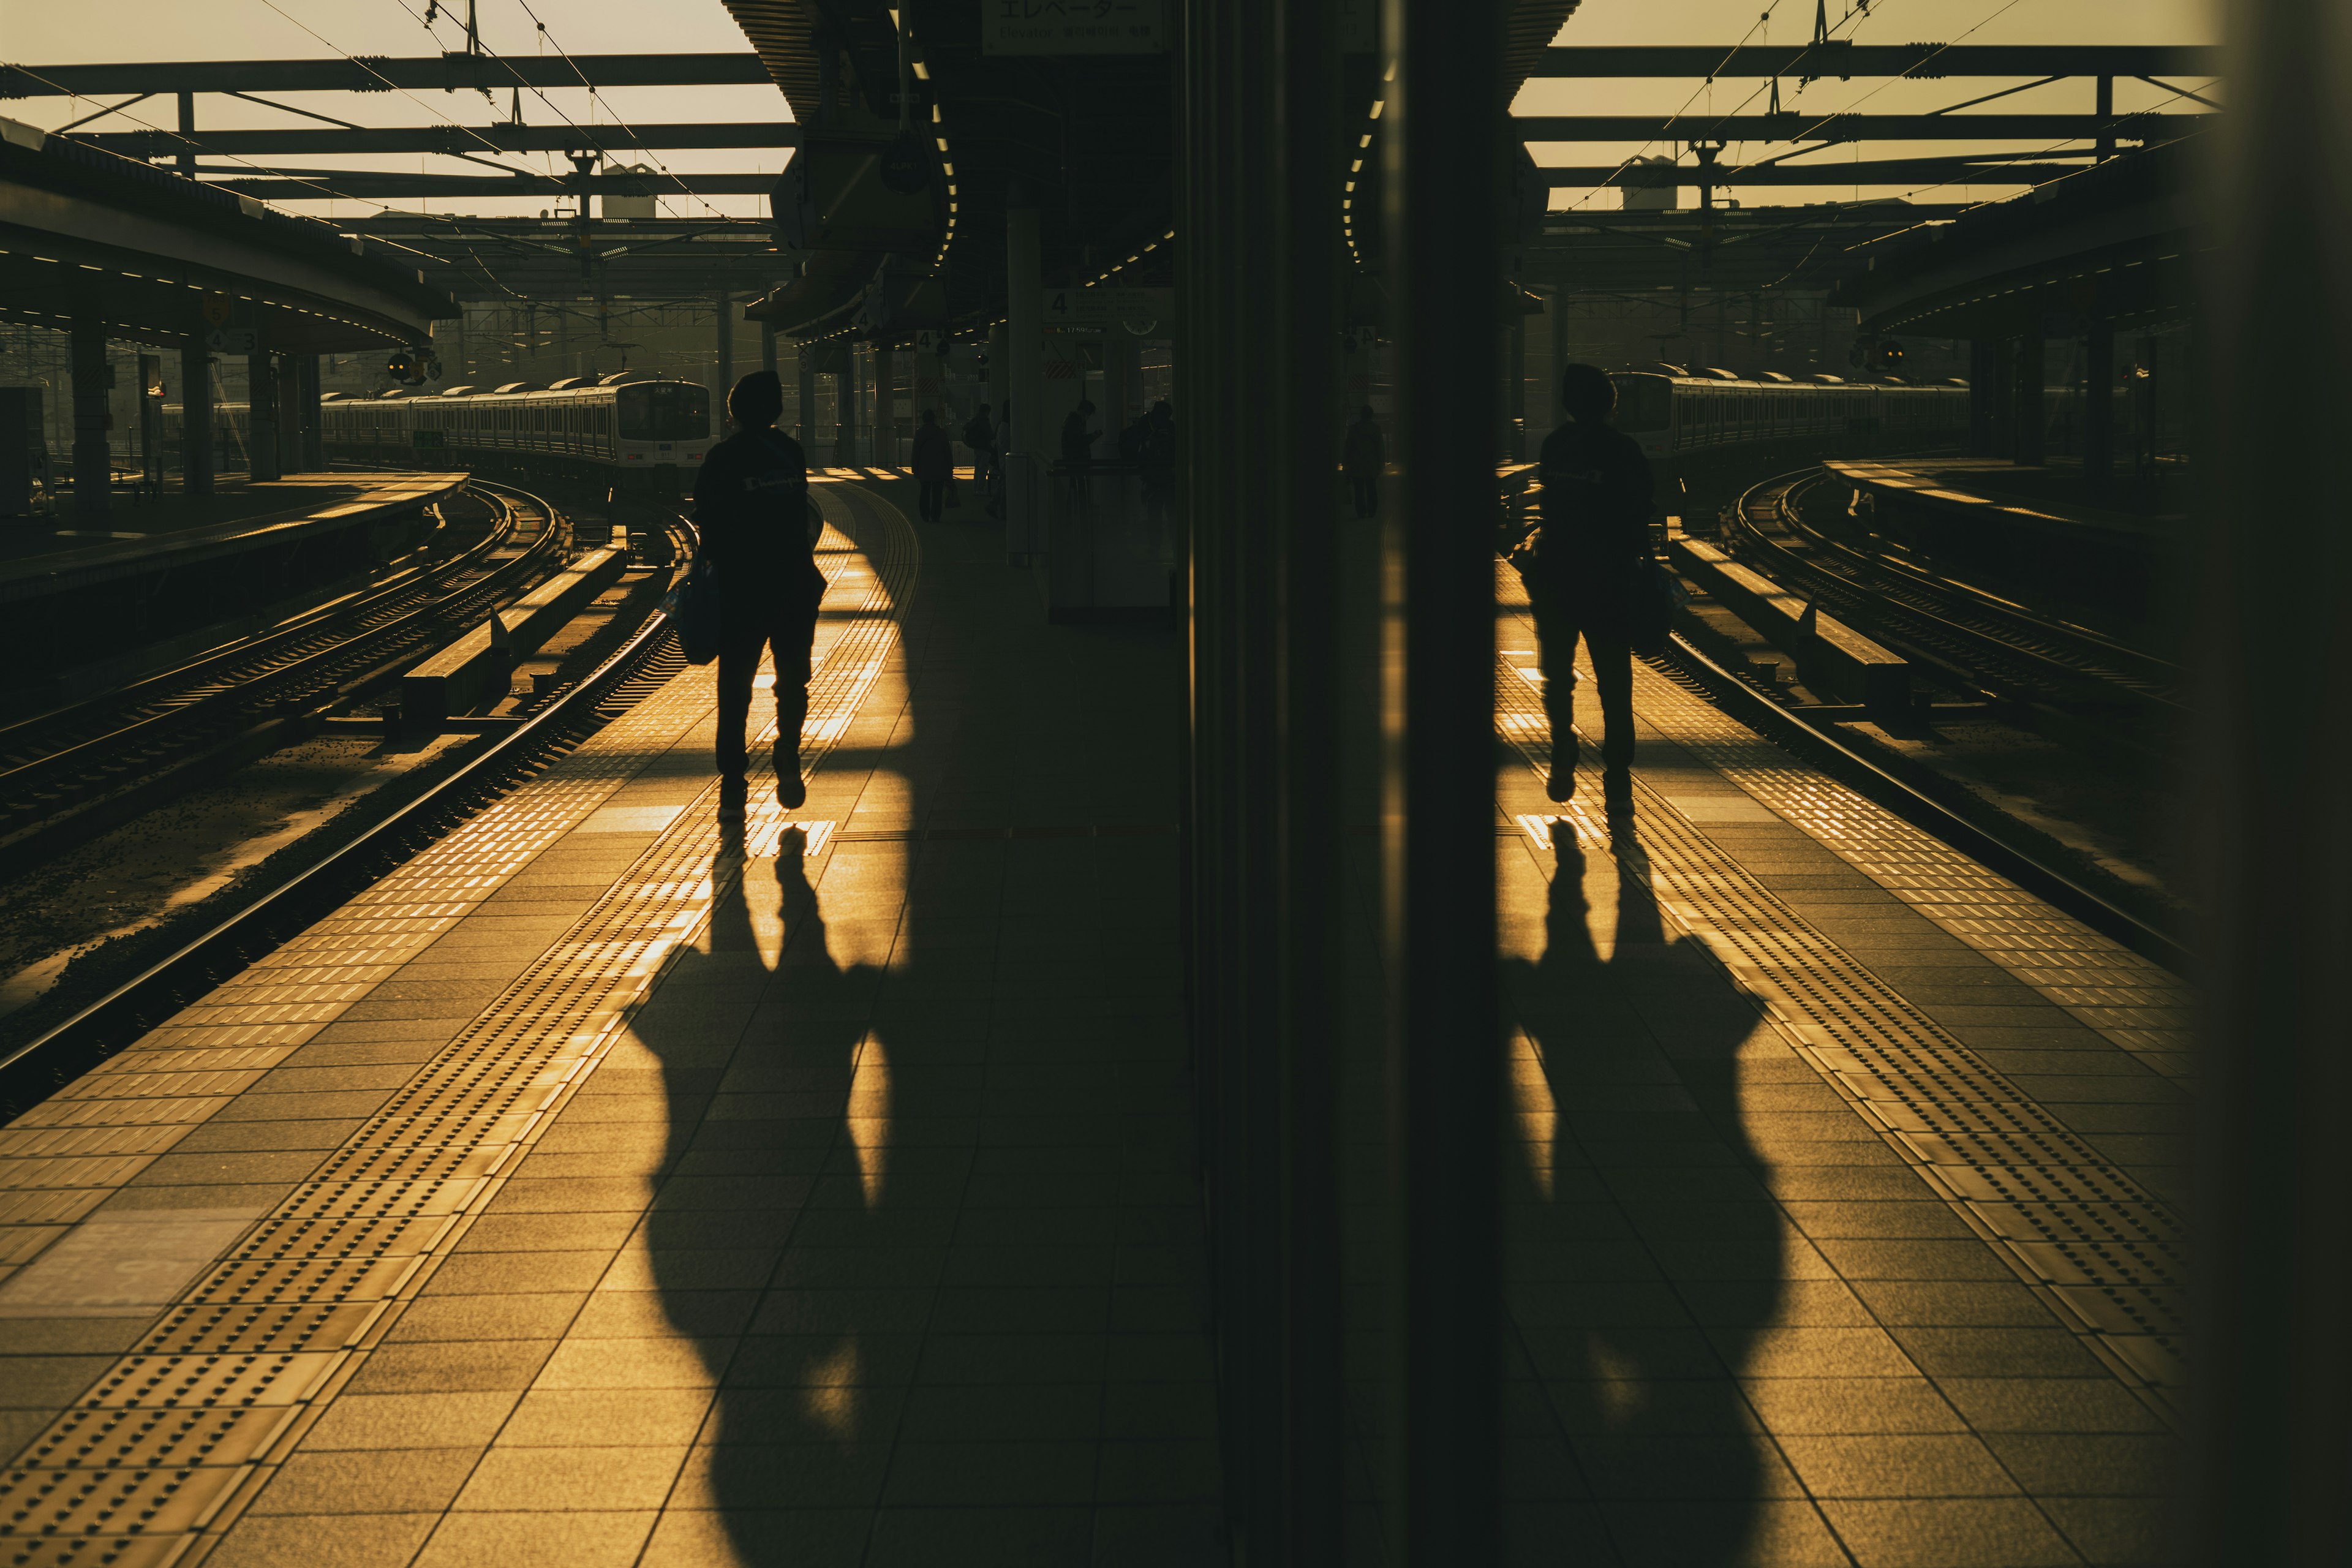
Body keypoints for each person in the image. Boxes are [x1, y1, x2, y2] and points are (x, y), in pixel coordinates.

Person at [1516, 363, 1654, 814]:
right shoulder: (1625, 451)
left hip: (1555, 577)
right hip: (1609, 582)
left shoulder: (1555, 446)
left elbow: (1552, 508)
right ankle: (1617, 771)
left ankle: (1563, 747)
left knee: (1557, 676)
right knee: (1615, 679)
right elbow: (1639, 517)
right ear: (1611, 403)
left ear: (1569, 404)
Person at [695, 369, 823, 820]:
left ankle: (733, 785)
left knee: (735, 688)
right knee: (792, 680)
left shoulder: (722, 458)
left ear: (732, 413)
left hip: (740, 590)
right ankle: (787, 752)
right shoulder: (789, 453)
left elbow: (706, 527)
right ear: (776, 411)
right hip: (793, 584)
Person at [911, 407, 952, 523]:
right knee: (937, 493)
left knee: (925, 492)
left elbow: (916, 452)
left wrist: (915, 469)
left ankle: (924, 515)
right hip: (939, 468)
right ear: (934, 419)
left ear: (923, 420)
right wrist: (950, 468)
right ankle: (936, 515)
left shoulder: (920, 433)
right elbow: (947, 452)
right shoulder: (941, 433)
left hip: (924, 468)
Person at [1343, 405, 1384, 518]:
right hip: (1371, 464)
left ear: (1361, 415)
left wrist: (1345, 462)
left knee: (1359, 490)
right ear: (1371, 415)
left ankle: (1361, 511)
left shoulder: (1354, 429)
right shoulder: (1376, 429)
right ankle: (1372, 511)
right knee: (1371, 488)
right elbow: (1380, 448)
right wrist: (1381, 463)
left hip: (1356, 464)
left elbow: (1348, 447)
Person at [1060, 399, 1098, 498]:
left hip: (1074, 461)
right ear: (1084, 412)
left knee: (1075, 488)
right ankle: (1078, 511)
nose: (1088, 417)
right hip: (1077, 462)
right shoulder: (1074, 423)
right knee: (1080, 490)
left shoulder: (1072, 422)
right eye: (1088, 414)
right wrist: (1093, 437)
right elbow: (1079, 442)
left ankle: (1073, 511)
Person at [963, 402, 998, 489]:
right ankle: (980, 488)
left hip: (977, 446)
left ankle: (976, 487)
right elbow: (989, 434)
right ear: (986, 411)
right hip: (984, 447)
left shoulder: (976, 419)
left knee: (977, 467)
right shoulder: (984, 420)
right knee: (983, 468)